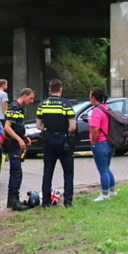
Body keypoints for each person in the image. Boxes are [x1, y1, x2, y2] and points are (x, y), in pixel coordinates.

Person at [35, 79, 76, 208]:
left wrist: (48, 130)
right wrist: (64, 131)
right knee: (68, 172)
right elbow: (73, 126)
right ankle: (68, 202)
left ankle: (46, 202)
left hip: (48, 141)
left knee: (48, 171)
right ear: (60, 90)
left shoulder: (42, 104)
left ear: (49, 90)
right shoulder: (66, 105)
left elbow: (38, 126)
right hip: (63, 141)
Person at [3, 87, 36, 211]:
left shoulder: (20, 109)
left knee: (16, 172)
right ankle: (14, 201)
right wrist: (19, 140)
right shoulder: (14, 107)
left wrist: (24, 137)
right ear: (24, 95)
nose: (32, 101)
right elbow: (7, 127)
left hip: (16, 144)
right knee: (16, 173)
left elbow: (16, 127)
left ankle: (12, 200)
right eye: (31, 98)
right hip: (13, 145)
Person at [88, 86, 117, 202]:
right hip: (110, 142)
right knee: (106, 168)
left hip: (100, 143)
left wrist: (93, 142)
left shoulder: (96, 111)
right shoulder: (106, 108)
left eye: (90, 96)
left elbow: (95, 129)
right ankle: (113, 191)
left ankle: (105, 194)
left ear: (94, 98)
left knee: (103, 170)